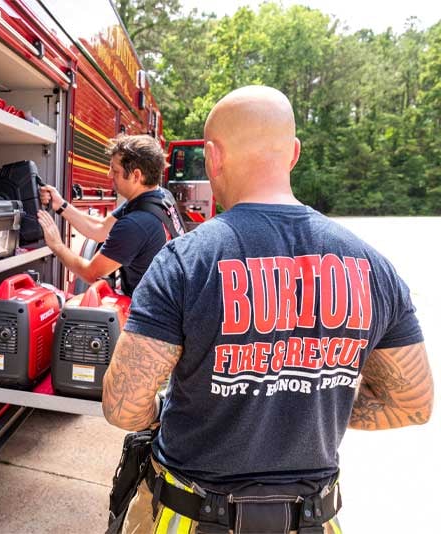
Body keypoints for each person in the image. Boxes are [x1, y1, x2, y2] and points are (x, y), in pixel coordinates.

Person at [102, 86, 433, 533]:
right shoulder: (373, 267)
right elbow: (413, 404)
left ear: (212, 157)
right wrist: (315, 403)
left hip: (189, 517)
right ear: (293, 154)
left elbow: (124, 406)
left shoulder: (186, 261)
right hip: (313, 520)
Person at [37, 134, 180, 296]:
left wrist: (57, 246)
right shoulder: (160, 197)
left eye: (115, 170)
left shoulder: (136, 224)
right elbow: (101, 229)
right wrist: (61, 205)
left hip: (151, 314)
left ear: (136, 176)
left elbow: (91, 273)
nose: (109, 174)